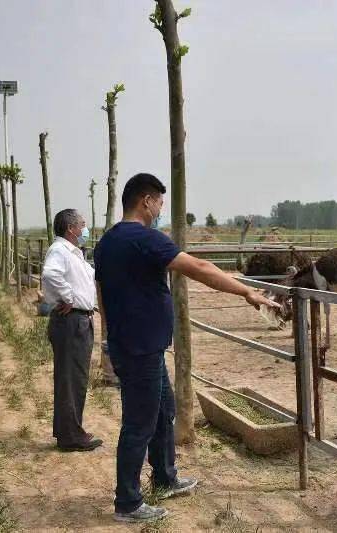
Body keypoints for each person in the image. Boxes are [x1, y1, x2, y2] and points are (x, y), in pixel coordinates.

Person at [95, 173, 279, 523]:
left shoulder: (107, 242)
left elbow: (102, 292)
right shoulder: (144, 239)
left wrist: (108, 338)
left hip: (135, 345)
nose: (161, 209)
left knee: (164, 411)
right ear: (146, 201)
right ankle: (128, 503)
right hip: (141, 349)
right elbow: (199, 267)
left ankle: (165, 476)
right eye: (159, 203)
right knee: (139, 423)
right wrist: (246, 292)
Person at [41, 208, 102, 452]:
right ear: (71, 229)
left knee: (73, 379)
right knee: (71, 379)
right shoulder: (60, 250)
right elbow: (50, 274)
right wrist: (67, 297)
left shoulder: (73, 252)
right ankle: (70, 436)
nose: (86, 229)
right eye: (83, 225)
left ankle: (69, 431)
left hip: (78, 320)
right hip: (71, 321)